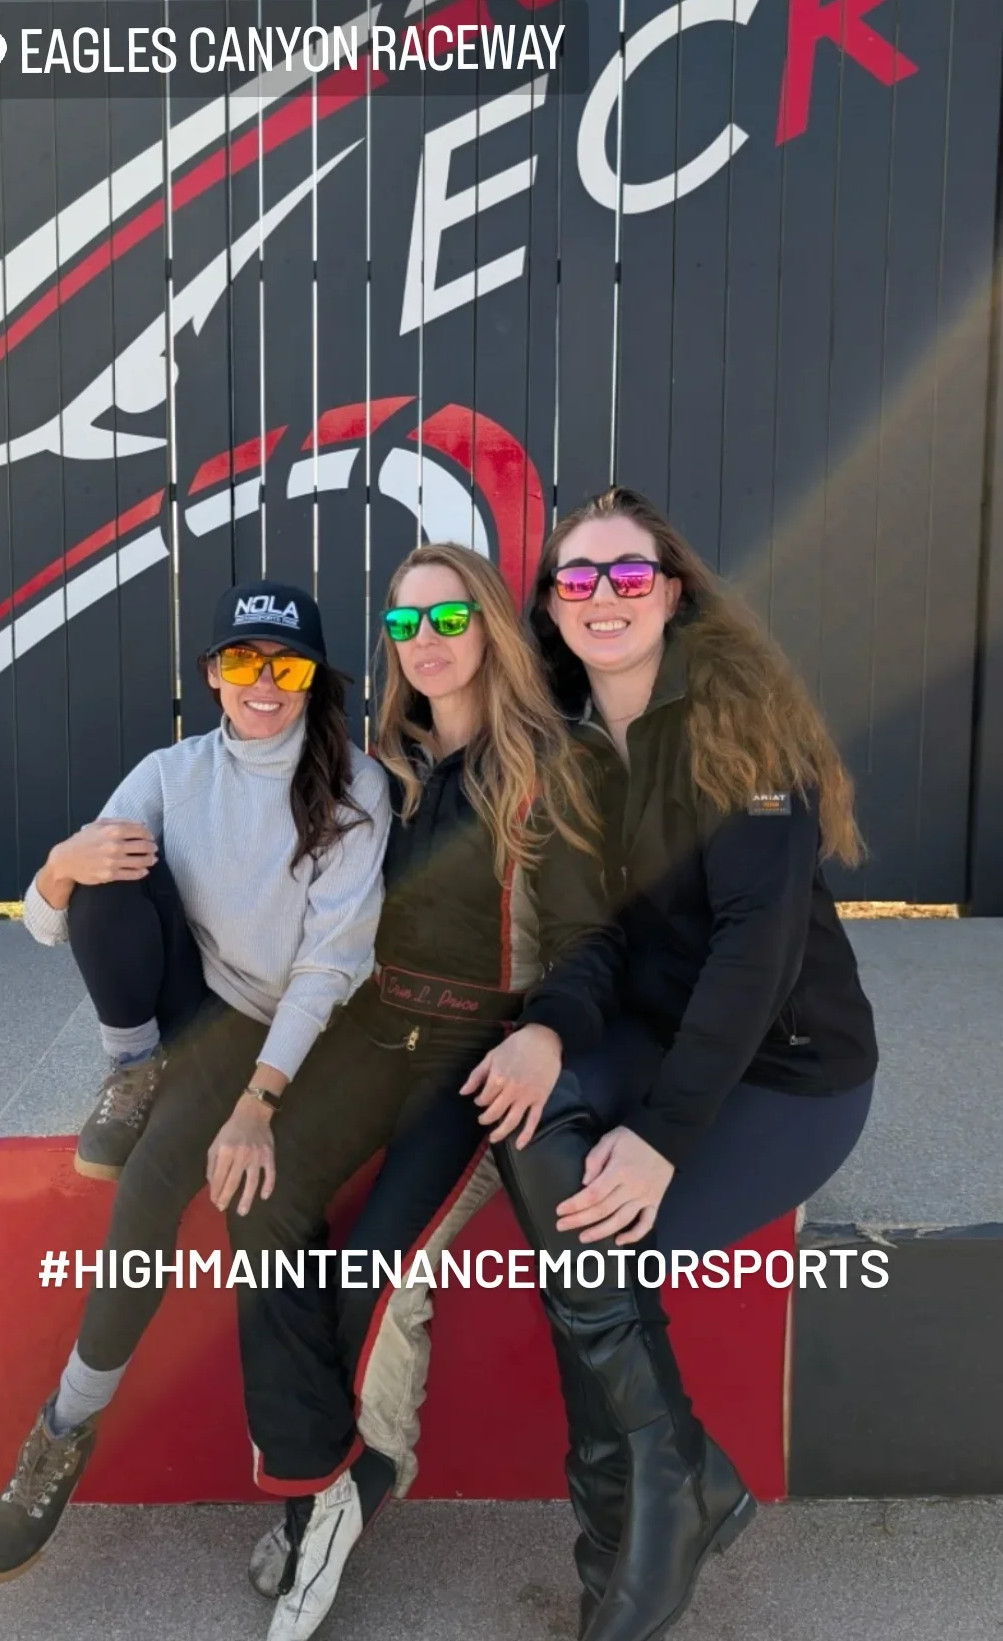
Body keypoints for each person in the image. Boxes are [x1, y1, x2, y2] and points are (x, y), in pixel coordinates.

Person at [490, 486, 879, 1641]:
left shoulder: (737, 723)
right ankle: (661, 1496)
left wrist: (659, 1142)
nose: (602, 596)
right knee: (522, 1109)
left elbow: (754, 957)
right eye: (578, 578)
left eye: (627, 574)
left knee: (601, 1246)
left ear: (670, 592)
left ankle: (651, 1511)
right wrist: (550, 1026)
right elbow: (595, 935)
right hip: (654, 1034)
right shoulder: (565, 738)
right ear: (553, 607)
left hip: (790, 1073)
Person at [228, 542, 623, 1641]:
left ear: (491, 623)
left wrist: (547, 1032)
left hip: (478, 1047)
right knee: (257, 1195)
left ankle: (363, 1484)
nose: (429, 643)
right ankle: (317, 1482)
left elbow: (594, 942)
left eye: (448, 619)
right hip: (369, 1027)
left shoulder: (556, 760)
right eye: (406, 626)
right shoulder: (377, 762)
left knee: (377, 1263)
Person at [0, 581, 390, 1585]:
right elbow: (42, 920)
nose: (262, 684)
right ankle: (130, 1066)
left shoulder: (352, 790)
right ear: (211, 674)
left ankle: (65, 1424)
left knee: (157, 1178)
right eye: (241, 661)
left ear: (314, 683)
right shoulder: (172, 770)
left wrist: (258, 1100)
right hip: (193, 1010)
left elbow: (330, 968)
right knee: (106, 871)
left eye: (283, 666)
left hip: (291, 1029)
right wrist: (63, 864)